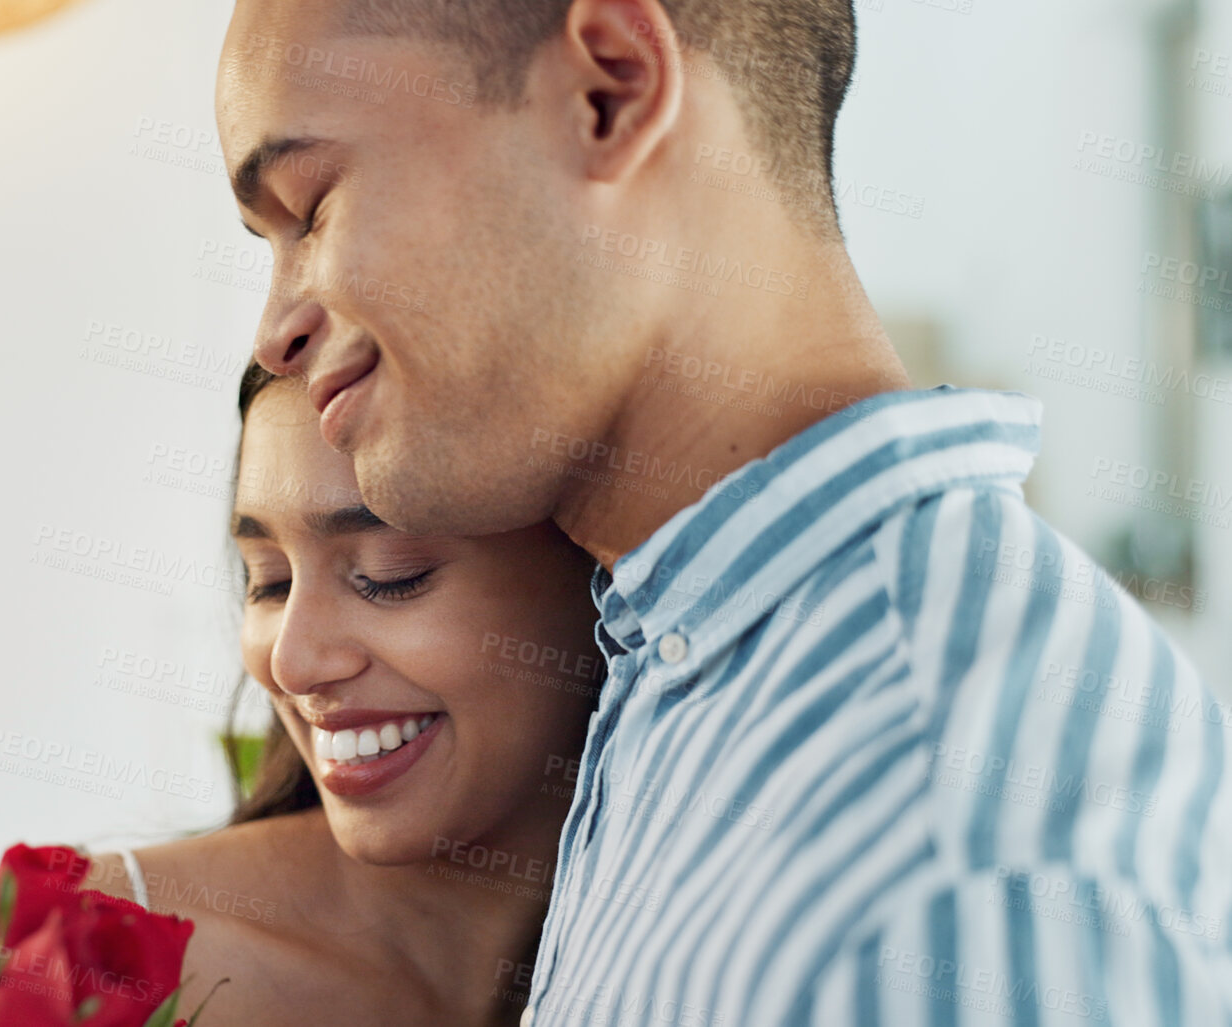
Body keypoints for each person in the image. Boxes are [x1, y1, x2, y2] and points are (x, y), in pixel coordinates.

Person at [211, 0, 1232, 1023]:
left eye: (311, 207)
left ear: (609, 91)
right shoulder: (681, 670)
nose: (274, 332)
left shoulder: (946, 844)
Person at [85, 363, 603, 1026]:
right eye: (268, 580)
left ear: (599, 568)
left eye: (388, 576)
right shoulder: (79, 952)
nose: (292, 663)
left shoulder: (715, 945)